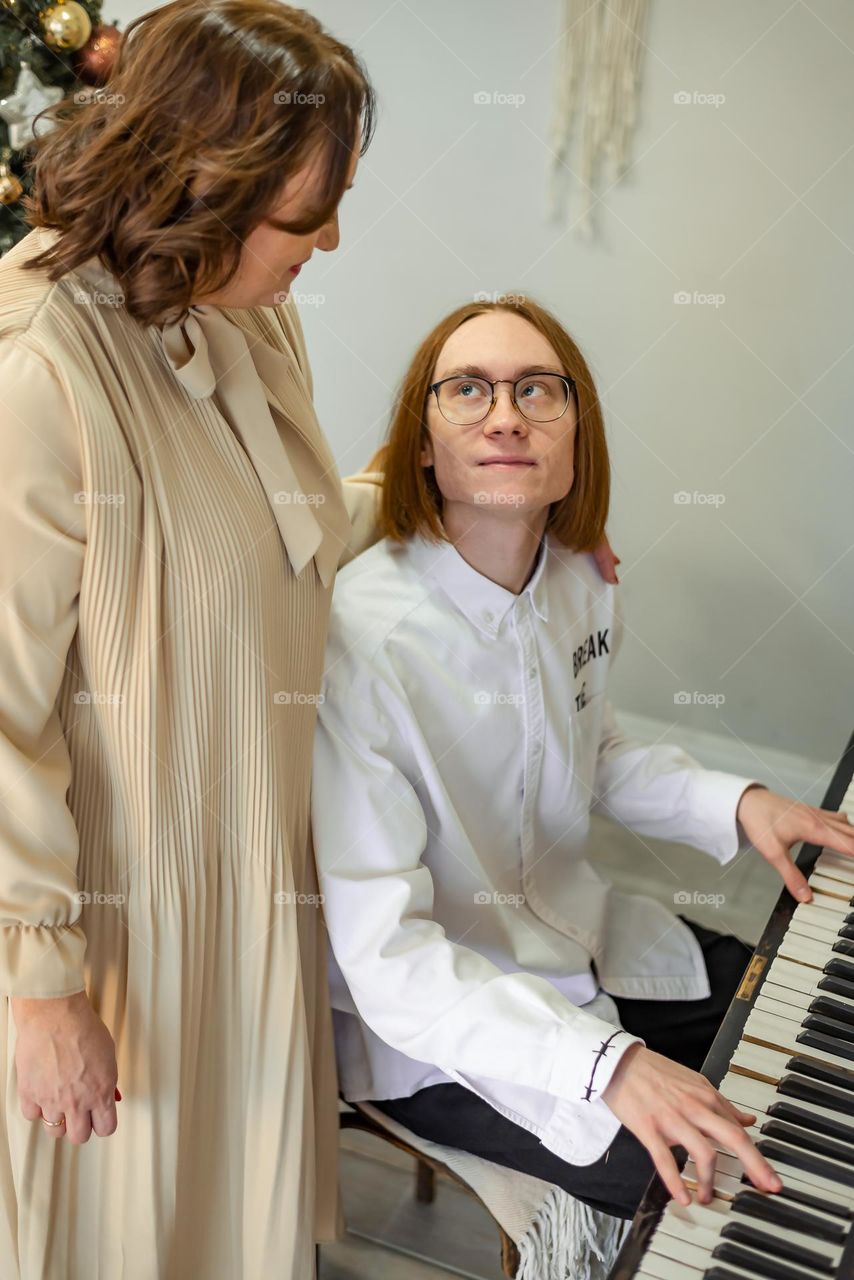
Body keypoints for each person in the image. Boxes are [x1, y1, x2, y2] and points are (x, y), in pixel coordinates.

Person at [311, 295, 854, 1219]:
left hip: (581, 936)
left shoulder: (579, 578)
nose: (507, 414)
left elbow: (592, 753)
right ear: (423, 445)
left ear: (576, 439)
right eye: (468, 391)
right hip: (444, 1025)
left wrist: (739, 803)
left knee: (819, 1026)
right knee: (719, 1183)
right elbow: (389, 958)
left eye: (537, 391)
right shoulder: (360, 643)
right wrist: (607, 1066)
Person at [0, 3, 379, 1276]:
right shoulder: (37, 372)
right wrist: (41, 987)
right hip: (116, 943)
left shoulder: (249, 316)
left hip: (252, 906)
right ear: (193, 189)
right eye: (302, 213)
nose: (328, 239)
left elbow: (283, 541)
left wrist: (477, 503)